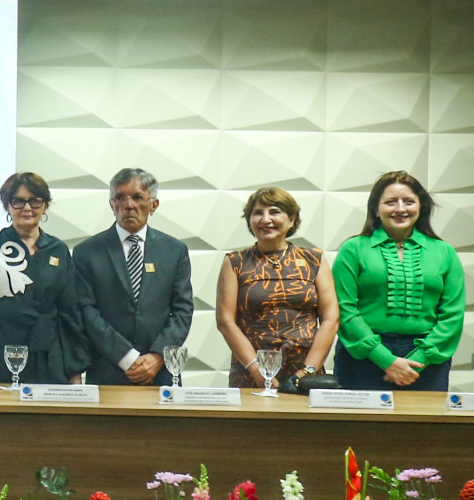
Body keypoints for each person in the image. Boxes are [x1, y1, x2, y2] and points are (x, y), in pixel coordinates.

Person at [0, 172, 86, 385]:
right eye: (18, 201)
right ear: (7, 206)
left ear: (45, 205)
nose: (27, 208)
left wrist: (75, 372)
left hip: (47, 354)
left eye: (35, 201)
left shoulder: (59, 250)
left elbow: (70, 314)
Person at [330, 171, 464, 392]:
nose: (400, 209)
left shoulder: (444, 252)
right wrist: (385, 359)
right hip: (363, 356)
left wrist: (421, 358)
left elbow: (453, 314)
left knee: (423, 426)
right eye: (391, 202)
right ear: (375, 208)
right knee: (358, 427)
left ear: (421, 207)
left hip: (427, 360)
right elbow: (344, 309)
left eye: (409, 202)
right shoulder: (353, 249)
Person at [70, 167, 194, 387]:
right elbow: (85, 311)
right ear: (111, 204)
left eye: (137, 197)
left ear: (154, 205)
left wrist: (157, 356)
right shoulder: (86, 252)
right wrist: (127, 358)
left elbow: (182, 310)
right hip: (108, 370)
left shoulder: (175, 250)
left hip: (160, 372)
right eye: (120, 198)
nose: (129, 205)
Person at [215, 187, 338, 390]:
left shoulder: (314, 259)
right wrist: (257, 370)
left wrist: (307, 371)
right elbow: (225, 322)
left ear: (291, 219)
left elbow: (330, 320)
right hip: (251, 371)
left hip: (307, 372)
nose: (265, 219)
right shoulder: (235, 261)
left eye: (274, 212)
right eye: (257, 213)